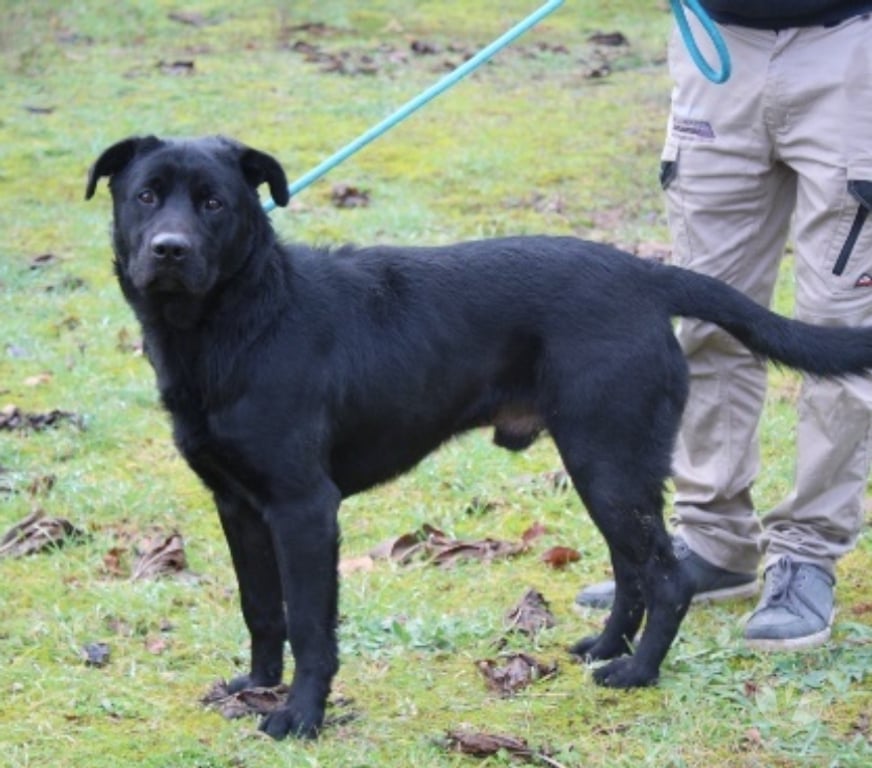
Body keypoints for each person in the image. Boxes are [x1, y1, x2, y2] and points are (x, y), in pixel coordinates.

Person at [576, 1, 872, 650]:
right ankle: (715, 539)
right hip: (718, 47)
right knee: (704, 320)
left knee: (841, 329)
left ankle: (808, 554)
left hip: (851, 50)